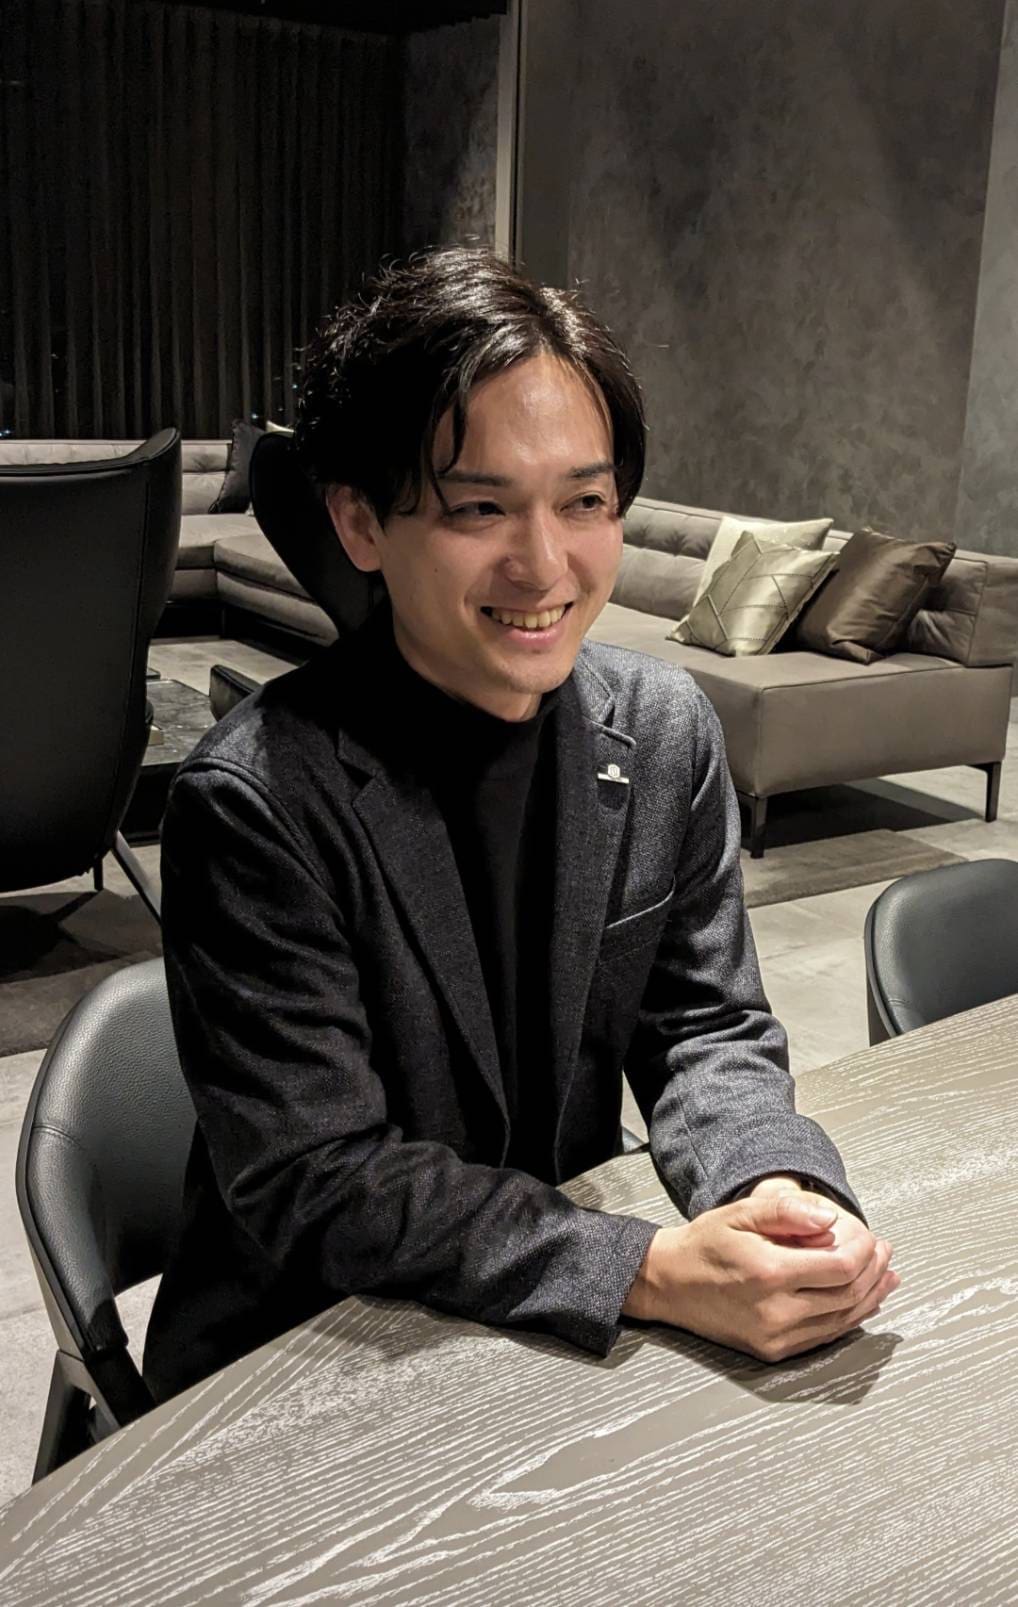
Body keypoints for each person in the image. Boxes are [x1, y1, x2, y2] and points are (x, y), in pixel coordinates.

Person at [143, 248, 898, 1400]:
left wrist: (767, 1184)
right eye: (479, 506)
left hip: (546, 1320)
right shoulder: (257, 800)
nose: (544, 564)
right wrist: (644, 1266)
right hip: (315, 1347)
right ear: (360, 521)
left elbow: (705, 1022)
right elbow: (322, 1176)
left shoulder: (663, 731)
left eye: (584, 502)